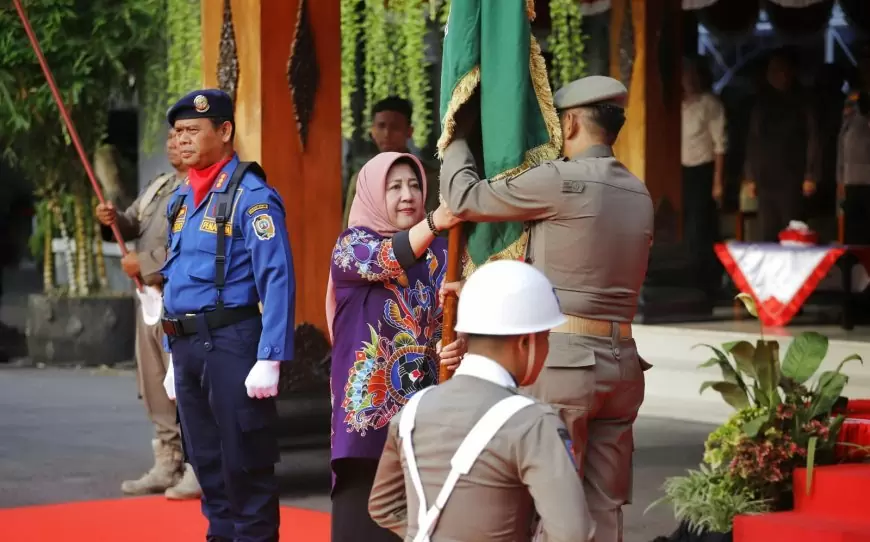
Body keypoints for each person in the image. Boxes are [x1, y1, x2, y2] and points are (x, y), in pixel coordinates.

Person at [439, 75, 653, 542]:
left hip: (566, 365)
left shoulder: (563, 180)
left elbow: (464, 199)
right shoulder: (639, 192)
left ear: (571, 122)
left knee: (547, 505)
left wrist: (455, 137)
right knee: (604, 506)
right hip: (623, 366)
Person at [369, 260, 594, 542]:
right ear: (526, 342)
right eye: (546, 337)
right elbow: (573, 534)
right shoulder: (532, 422)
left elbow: (384, 506)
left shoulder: (413, 411)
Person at [159, 89, 296, 542]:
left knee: (245, 466)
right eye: (178, 131)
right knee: (207, 466)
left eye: (193, 130)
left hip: (233, 343)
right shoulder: (181, 200)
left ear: (224, 131)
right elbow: (175, 279)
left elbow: (276, 277)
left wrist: (271, 355)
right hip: (188, 346)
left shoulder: (250, 196)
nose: (183, 140)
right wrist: (171, 354)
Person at [327, 151, 464, 542]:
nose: (408, 195)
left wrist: (457, 346)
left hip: (427, 421)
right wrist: (437, 221)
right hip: (367, 424)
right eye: (394, 187)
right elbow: (390, 257)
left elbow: (452, 325)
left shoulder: (445, 253)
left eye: (415, 184)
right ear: (371, 194)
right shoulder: (352, 247)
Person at [94, 128, 201, 500]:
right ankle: (167, 459)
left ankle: (197, 466)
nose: (175, 143)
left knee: (185, 382)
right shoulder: (159, 185)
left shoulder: (205, 189)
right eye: (171, 137)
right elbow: (132, 222)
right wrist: (112, 218)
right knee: (154, 382)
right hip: (149, 300)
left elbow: (197, 248)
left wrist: (148, 263)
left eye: (185, 135)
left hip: (185, 299)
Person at [743, 48, 820, 242]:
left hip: (792, 177)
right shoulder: (762, 102)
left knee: (792, 231)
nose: (775, 75)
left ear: (791, 72)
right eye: (772, 70)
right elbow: (753, 140)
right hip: (765, 177)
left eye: (780, 69)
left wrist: (810, 175)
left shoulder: (803, 100)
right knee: (767, 232)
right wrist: (750, 176)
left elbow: (813, 137)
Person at [342, 97, 439, 228]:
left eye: (395, 127)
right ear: (372, 131)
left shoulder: (430, 178)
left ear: (409, 131)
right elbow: (350, 232)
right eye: (381, 126)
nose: (387, 134)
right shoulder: (362, 178)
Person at [681, 58, 726, 297]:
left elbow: (720, 145)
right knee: (686, 225)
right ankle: (688, 275)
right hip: (681, 172)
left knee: (702, 226)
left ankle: (707, 280)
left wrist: (718, 181)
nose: (688, 80)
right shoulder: (678, 105)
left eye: (692, 75)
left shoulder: (710, 104)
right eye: (684, 75)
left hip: (703, 170)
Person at [837, 43, 870, 245]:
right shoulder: (852, 98)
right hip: (852, 178)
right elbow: (843, 137)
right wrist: (840, 176)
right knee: (854, 237)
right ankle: (856, 275)